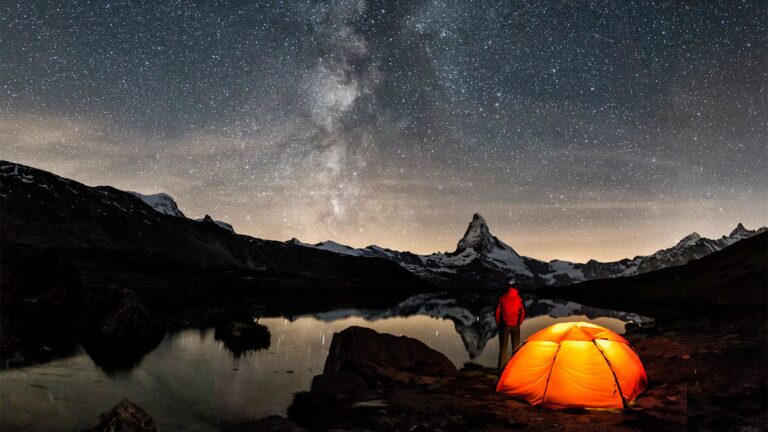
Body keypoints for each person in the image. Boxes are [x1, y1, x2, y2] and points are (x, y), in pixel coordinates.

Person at [496, 278, 525, 369]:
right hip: (515, 325)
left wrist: (499, 323)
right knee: (516, 349)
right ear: (514, 285)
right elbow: (523, 312)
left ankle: (501, 369)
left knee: (503, 349)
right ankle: (514, 369)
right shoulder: (519, 298)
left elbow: (497, 312)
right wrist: (519, 323)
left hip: (504, 325)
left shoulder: (502, 297)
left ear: (507, 286)